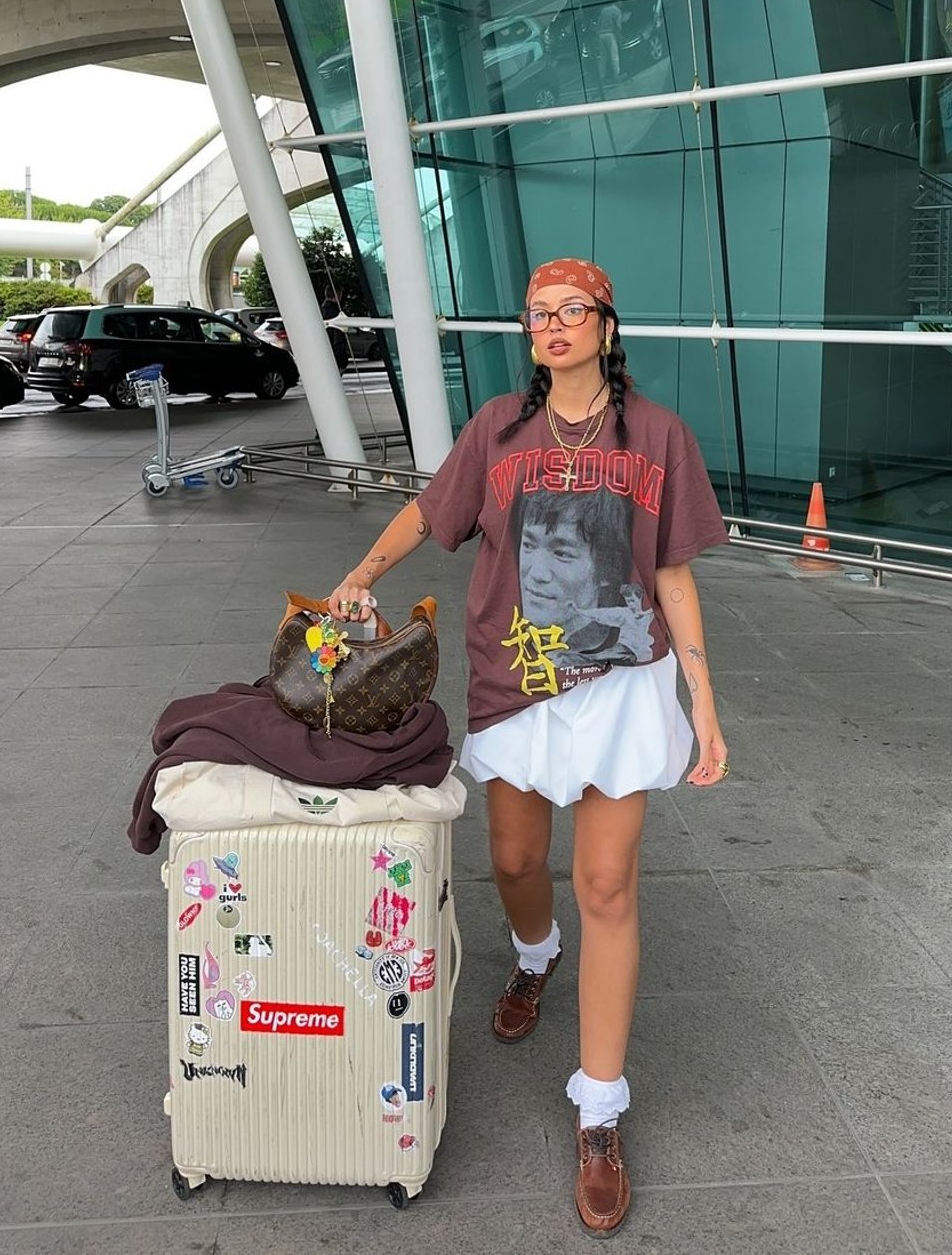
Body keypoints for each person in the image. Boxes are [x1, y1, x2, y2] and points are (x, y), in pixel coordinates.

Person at [328, 257, 729, 1237]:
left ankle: (599, 1112)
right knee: (512, 858)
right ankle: (535, 953)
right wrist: (357, 572)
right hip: (516, 684)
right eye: (537, 313)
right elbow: (432, 511)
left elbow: (672, 572)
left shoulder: (658, 435)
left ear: (604, 324)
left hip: (626, 683)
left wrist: (706, 706)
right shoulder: (497, 428)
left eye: (569, 311)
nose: (550, 325)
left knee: (608, 886)